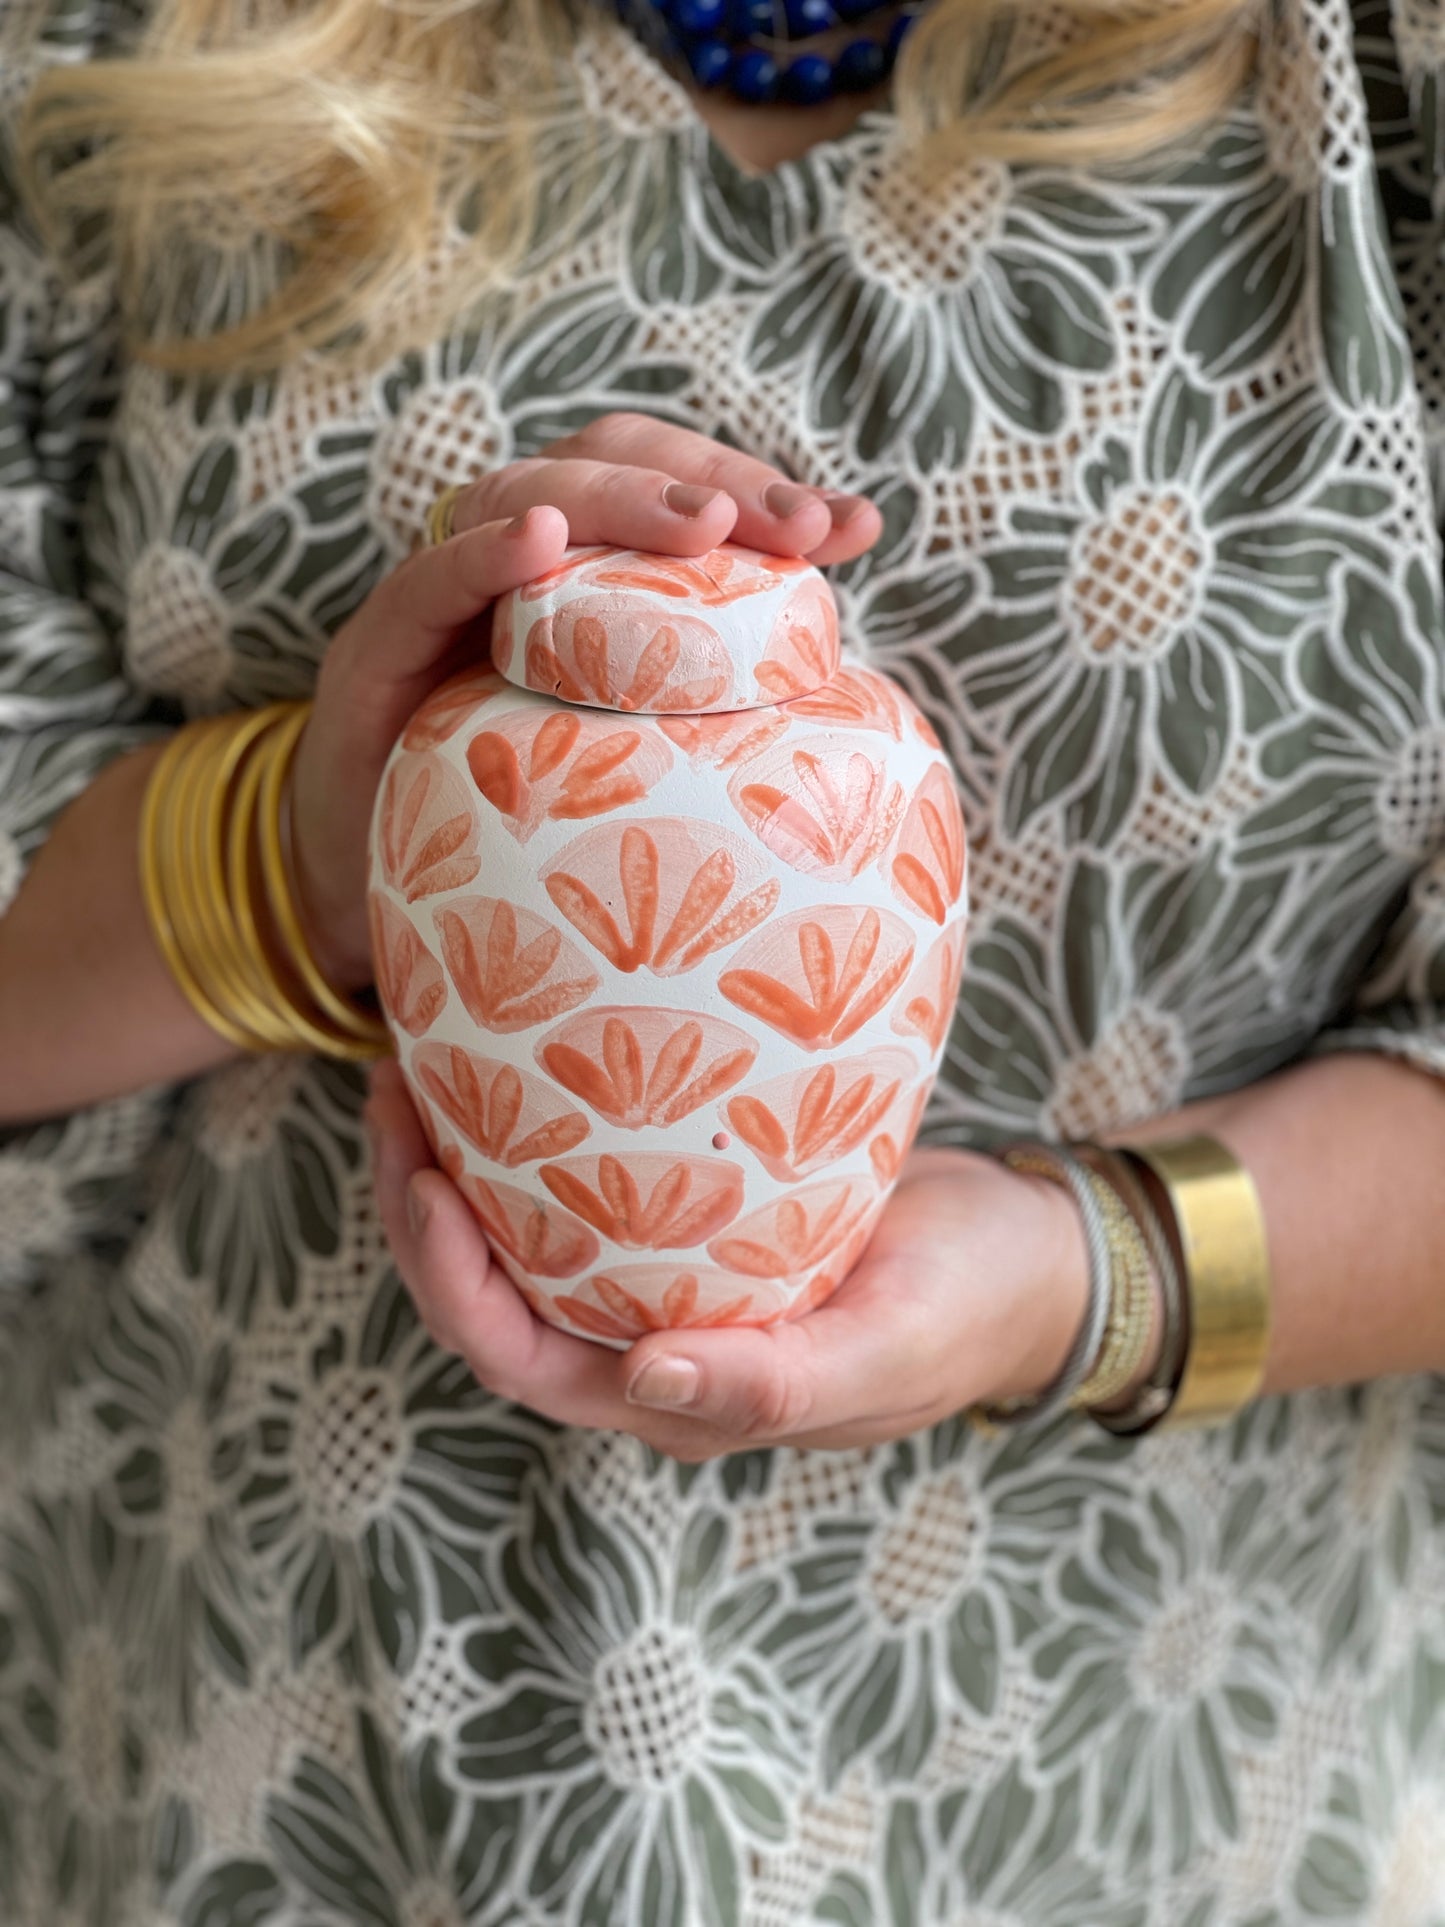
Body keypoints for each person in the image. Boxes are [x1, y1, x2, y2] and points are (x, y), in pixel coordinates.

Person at [2, 0, 1445, 1914]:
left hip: (1102, 1802)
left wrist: (1072, 1276)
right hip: (251, 1764)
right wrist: (317, 852)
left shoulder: (1380, 86)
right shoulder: (97, 56)